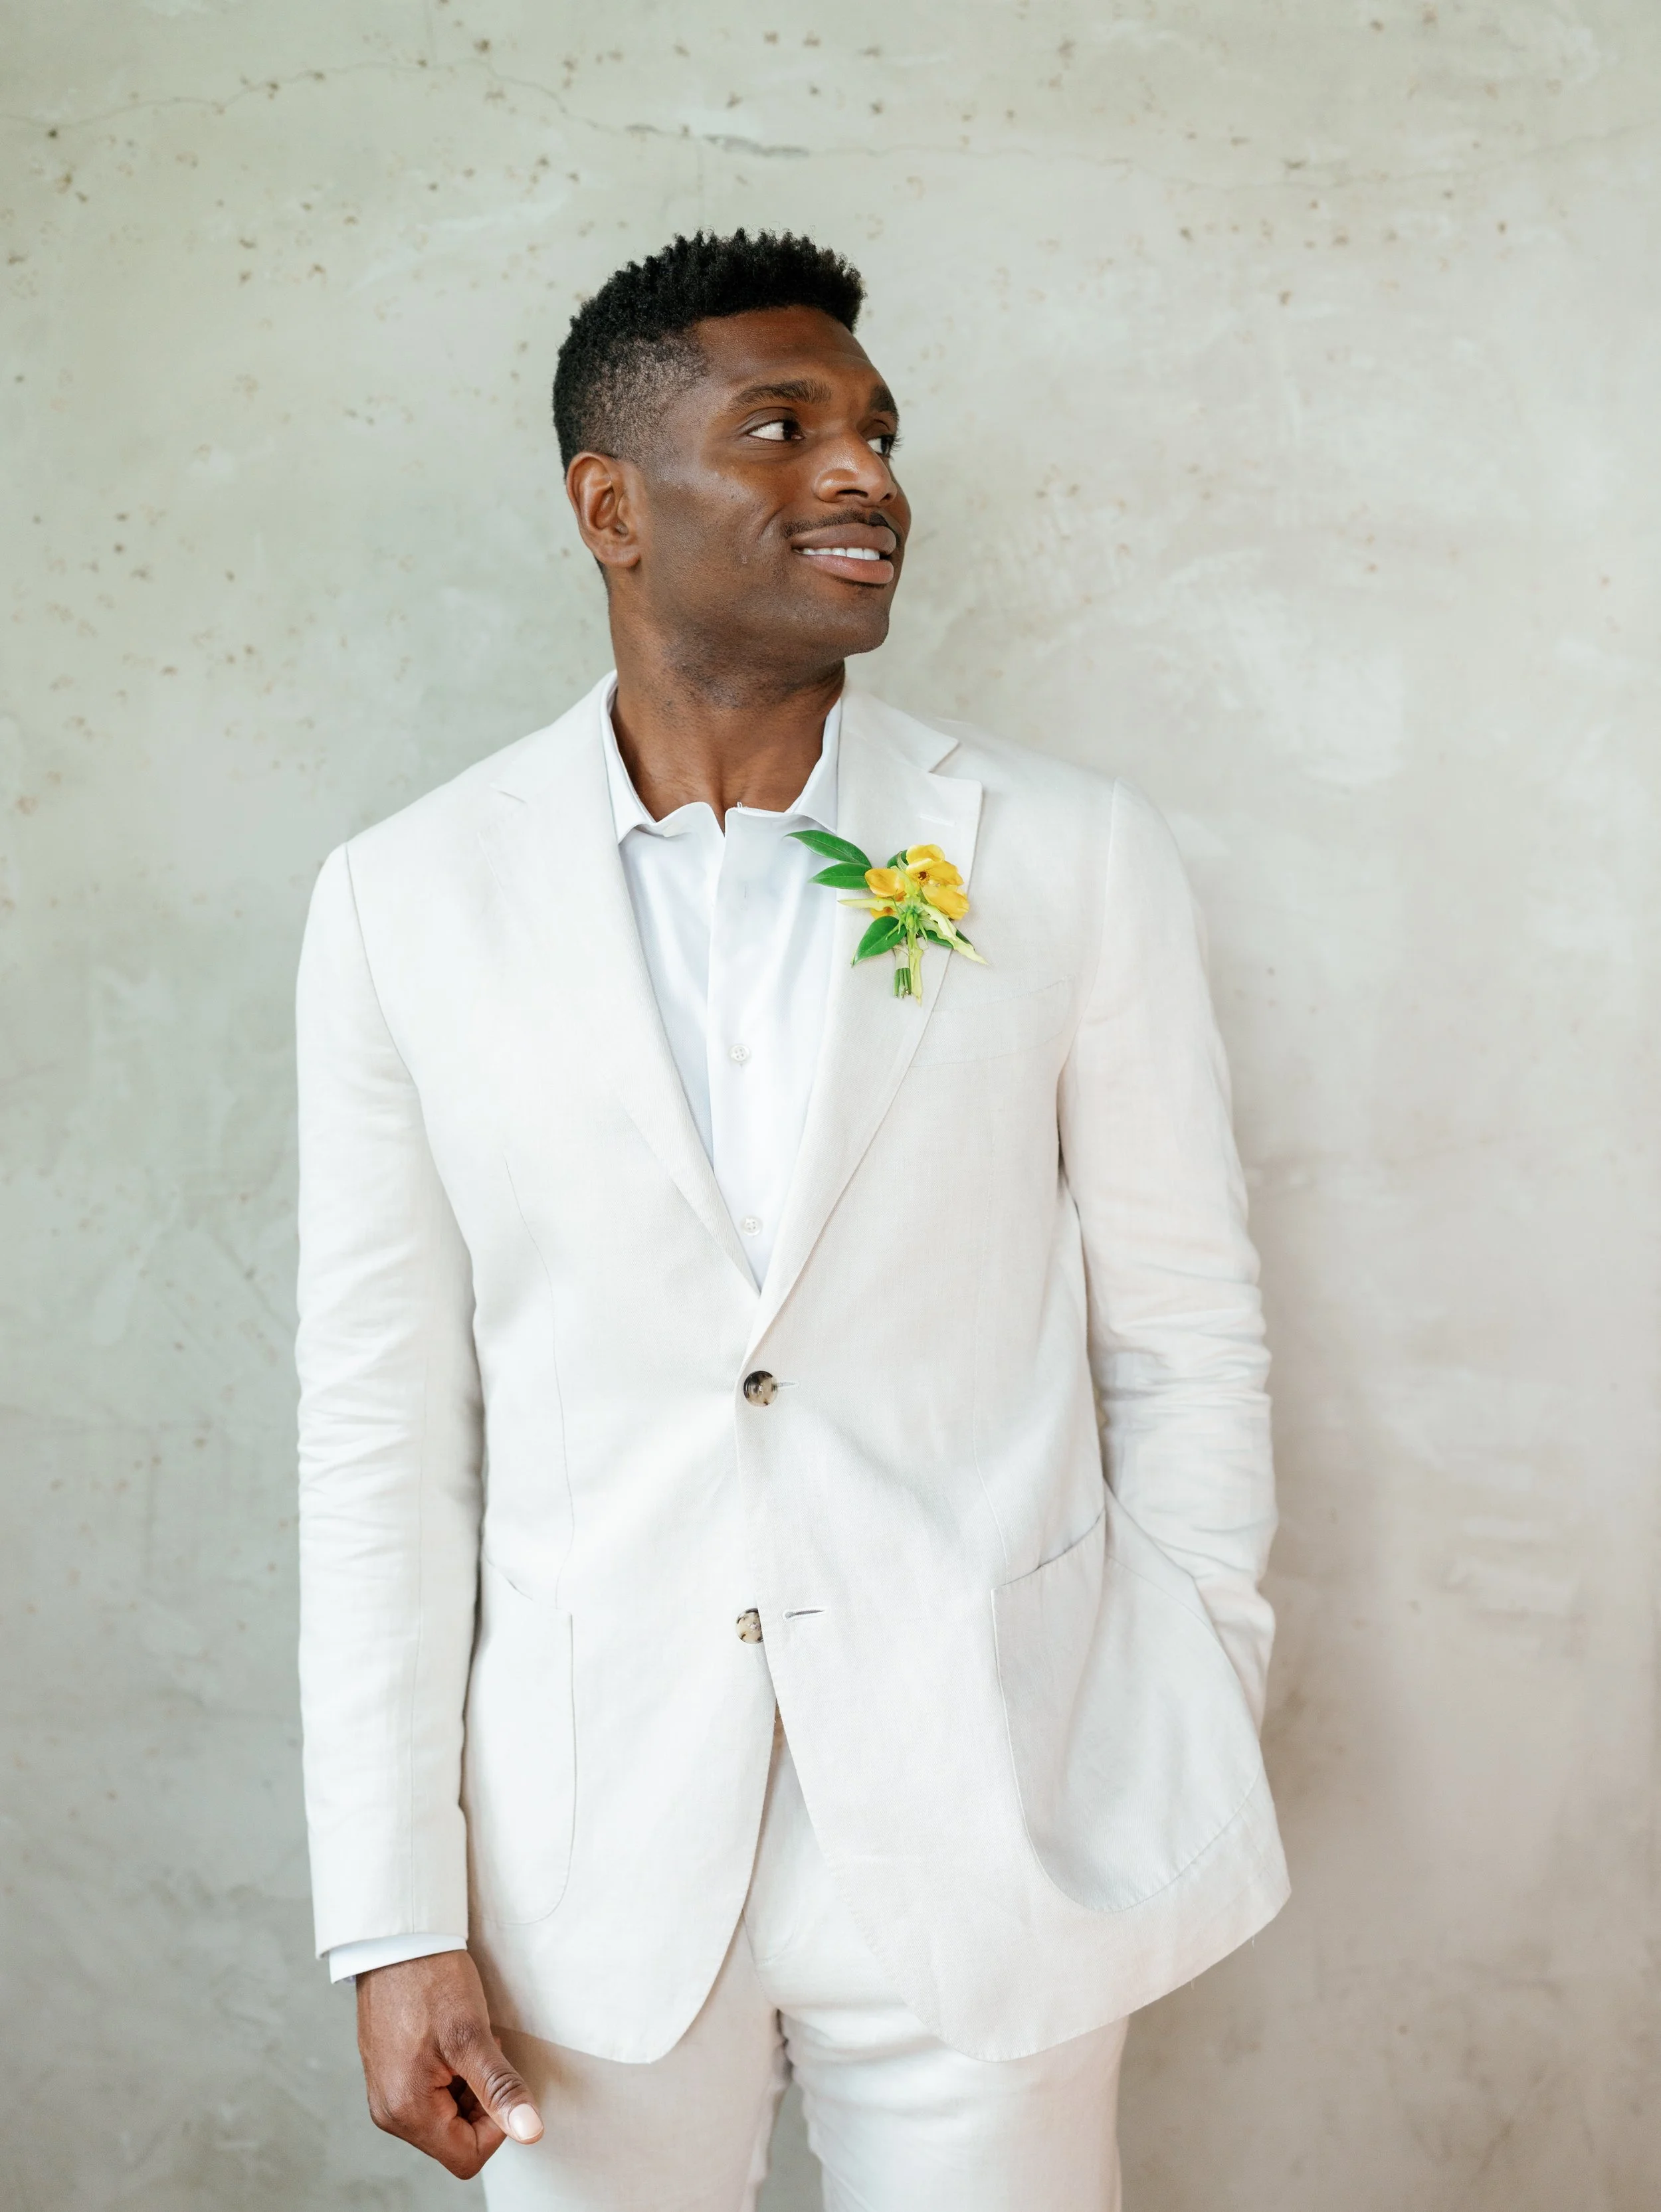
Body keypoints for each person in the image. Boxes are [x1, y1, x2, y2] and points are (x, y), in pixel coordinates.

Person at [296, 229, 1287, 2212]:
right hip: (584, 1872)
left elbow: (1183, 1333)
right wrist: (389, 1910)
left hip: (998, 1807)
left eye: (876, 430)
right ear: (612, 508)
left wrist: (1174, 1693)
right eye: (785, 428)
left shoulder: (1064, 855)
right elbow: (381, 1433)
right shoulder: (403, 902)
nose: (865, 476)